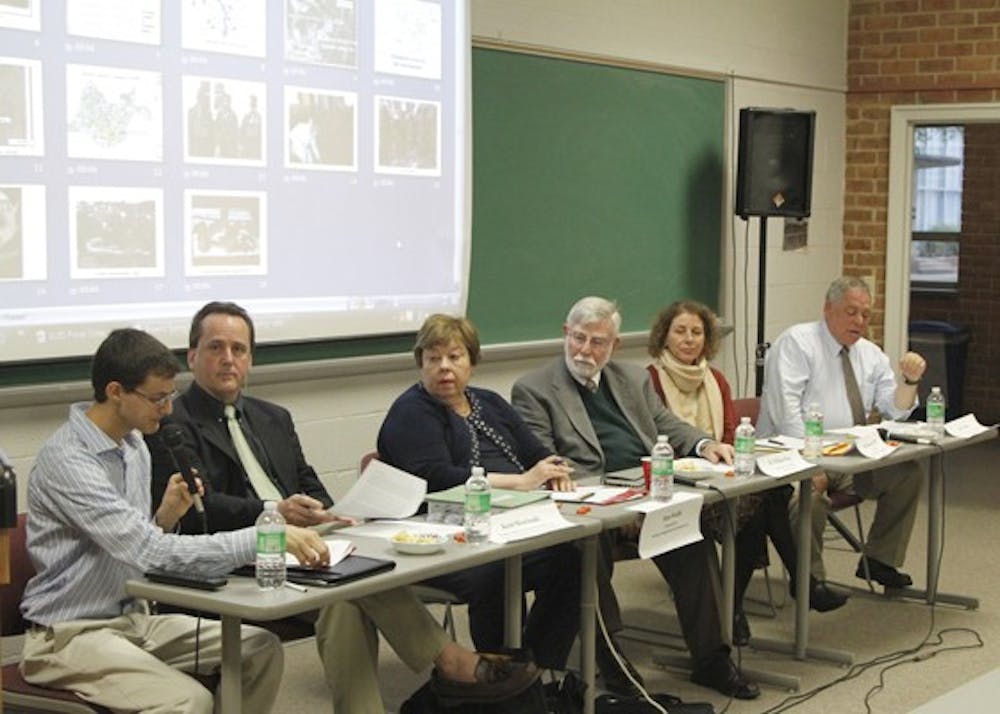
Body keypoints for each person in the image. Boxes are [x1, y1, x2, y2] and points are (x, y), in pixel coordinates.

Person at [148, 302, 535, 714]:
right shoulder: (172, 423)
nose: (229, 359)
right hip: (231, 556)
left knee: (351, 591)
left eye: (239, 350)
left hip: (306, 547)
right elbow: (200, 509)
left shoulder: (272, 417)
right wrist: (274, 510)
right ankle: (448, 659)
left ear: (250, 359)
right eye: (216, 348)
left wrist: (331, 511)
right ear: (192, 356)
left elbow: (307, 479)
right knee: (351, 589)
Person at [18, 327, 334, 712]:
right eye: (158, 398)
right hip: (68, 636)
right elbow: (148, 552)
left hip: (132, 621)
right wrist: (265, 536)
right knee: (188, 700)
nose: (168, 409)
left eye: (170, 396)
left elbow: (132, 548)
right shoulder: (68, 461)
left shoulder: (134, 445)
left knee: (259, 649)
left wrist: (164, 518)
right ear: (115, 391)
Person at [511, 296, 760, 700]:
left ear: (615, 346)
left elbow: (667, 426)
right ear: (565, 334)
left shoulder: (632, 379)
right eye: (578, 339)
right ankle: (611, 660)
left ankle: (712, 659)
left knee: (691, 538)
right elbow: (544, 458)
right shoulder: (534, 389)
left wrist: (703, 445)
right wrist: (616, 502)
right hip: (590, 503)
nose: (585, 351)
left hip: (648, 494)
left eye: (597, 343)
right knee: (583, 551)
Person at [376, 315, 589, 682]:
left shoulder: (488, 402)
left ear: (471, 362)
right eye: (433, 358)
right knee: (497, 569)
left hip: (512, 522)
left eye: (454, 357)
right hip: (445, 538)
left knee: (573, 558)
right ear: (420, 363)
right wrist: (519, 483)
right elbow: (436, 478)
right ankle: (496, 675)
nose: (444, 367)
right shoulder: (412, 411)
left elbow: (535, 451)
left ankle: (533, 667)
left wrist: (553, 470)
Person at [645, 301, 846, 647]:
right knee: (762, 503)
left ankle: (734, 608)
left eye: (697, 332)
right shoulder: (649, 380)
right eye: (680, 331)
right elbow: (657, 438)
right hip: (679, 486)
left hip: (720, 477)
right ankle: (798, 584)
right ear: (664, 336)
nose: (689, 339)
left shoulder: (716, 379)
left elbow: (727, 433)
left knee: (765, 497)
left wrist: (722, 462)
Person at [757, 276, 926, 593]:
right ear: (827, 308)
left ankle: (878, 559)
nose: (859, 321)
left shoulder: (870, 354)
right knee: (807, 498)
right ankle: (810, 581)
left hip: (848, 458)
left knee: (906, 474)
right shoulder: (797, 343)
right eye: (851, 312)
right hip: (788, 457)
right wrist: (813, 464)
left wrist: (909, 380)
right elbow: (785, 414)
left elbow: (895, 409)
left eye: (865, 314)